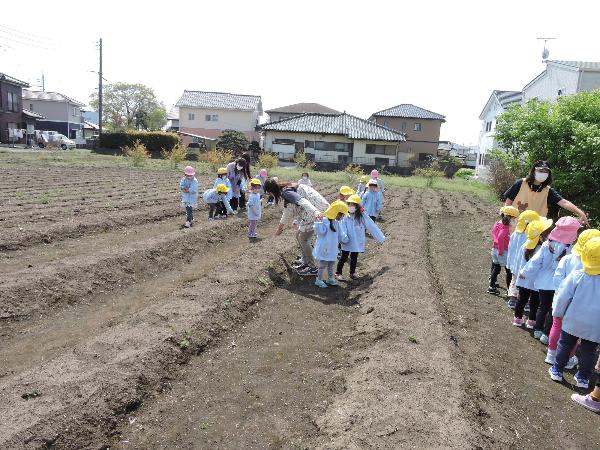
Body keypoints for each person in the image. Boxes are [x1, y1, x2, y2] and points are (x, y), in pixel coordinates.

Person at [550, 237, 600, 389]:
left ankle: (557, 370)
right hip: (595, 323)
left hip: (573, 317)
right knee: (590, 351)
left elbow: (563, 296)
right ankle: (583, 378)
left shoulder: (577, 275)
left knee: (565, 343)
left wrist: (558, 312)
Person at [519, 217, 581, 340]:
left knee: (543, 306)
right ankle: (546, 334)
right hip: (558, 284)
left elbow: (535, 262)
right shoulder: (570, 249)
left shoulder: (547, 244)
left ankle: (537, 329)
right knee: (552, 310)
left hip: (543, 281)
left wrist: (524, 272)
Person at [265, 179, 329, 277]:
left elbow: (303, 201)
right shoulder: (286, 189)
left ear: (270, 191)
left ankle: (312, 268)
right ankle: (305, 262)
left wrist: (315, 211)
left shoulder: (287, 193)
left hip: (316, 211)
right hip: (315, 210)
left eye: (269, 193)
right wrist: (280, 228)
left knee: (302, 238)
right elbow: (288, 211)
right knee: (299, 235)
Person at [503, 160, 589, 225]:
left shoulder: (548, 191)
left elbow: (564, 202)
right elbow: (508, 202)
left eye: (546, 172)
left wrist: (580, 213)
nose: (543, 173)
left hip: (534, 231)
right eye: (540, 171)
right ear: (533, 171)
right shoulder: (521, 183)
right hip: (514, 226)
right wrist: (506, 217)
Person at [513, 218, 553, 327]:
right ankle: (531, 321)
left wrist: (517, 273)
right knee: (535, 301)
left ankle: (517, 318)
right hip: (536, 281)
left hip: (523, 278)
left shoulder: (525, 246)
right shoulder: (544, 249)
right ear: (542, 235)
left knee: (521, 299)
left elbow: (517, 262)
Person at [336, 194, 385, 280]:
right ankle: (338, 273)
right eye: (349, 204)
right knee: (344, 257)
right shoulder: (345, 216)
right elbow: (342, 227)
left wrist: (381, 238)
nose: (350, 206)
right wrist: (343, 238)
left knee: (354, 257)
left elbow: (371, 226)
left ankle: (352, 273)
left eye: (353, 204)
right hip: (346, 240)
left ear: (357, 206)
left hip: (356, 241)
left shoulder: (362, 216)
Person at [506, 210, 540, 307]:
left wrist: (510, 263)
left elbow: (510, 249)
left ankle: (512, 299)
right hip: (526, 265)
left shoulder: (515, 234)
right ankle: (527, 302)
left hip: (515, 264)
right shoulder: (532, 236)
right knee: (527, 284)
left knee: (514, 281)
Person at [313, 201, 349, 288]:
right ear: (336, 213)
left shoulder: (336, 222)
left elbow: (340, 234)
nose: (342, 216)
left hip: (332, 248)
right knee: (322, 265)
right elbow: (320, 232)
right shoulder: (325, 221)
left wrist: (346, 239)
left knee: (331, 264)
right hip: (325, 247)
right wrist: (319, 222)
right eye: (342, 214)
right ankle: (319, 280)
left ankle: (330, 278)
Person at [488, 206, 519, 295]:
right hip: (502, 251)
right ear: (510, 217)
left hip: (494, 249)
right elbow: (501, 237)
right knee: (508, 271)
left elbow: (495, 235)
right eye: (514, 219)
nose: (514, 220)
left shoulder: (497, 223)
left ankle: (491, 286)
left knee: (496, 268)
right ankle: (509, 290)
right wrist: (501, 250)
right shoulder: (505, 228)